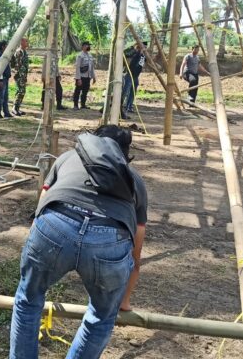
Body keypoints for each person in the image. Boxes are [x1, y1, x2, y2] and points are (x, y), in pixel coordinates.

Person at [9, 125, 147, 359]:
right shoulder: (134, 180)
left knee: (28, 300)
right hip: (108, 239)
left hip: (55, 226)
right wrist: (122, 301)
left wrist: (38, 250)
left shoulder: (66, 158)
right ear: (126, 154)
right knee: (102, 317)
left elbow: (40, 211)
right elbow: (136, 252)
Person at [121, 41, 147, 118]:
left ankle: (129, 106)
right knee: (125, 91)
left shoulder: (143, 56)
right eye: (143, 47)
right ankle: (120, 105)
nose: (144, 49)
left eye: (145, 47)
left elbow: (143, 62)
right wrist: (137, 49)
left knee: (133, 92)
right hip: (129, 74)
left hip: (136, 76)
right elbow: (126, 54)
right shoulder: (134, 53)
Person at [73, 41, 96, 110]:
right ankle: (75, 105)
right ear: (83, 46)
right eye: (87, 45)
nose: (89, 46)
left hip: (87, 77)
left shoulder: (90, 55)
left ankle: (83, 105)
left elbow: (92, 67)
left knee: (85, 91)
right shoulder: (80, 55)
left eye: (89, 45)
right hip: (81, 76)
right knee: (77, 91)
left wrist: (93, 77)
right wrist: (78, 78)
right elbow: (77, 67)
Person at [0, 40, 13, 119]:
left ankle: (6, 112)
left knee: (5, 97)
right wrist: (0, 80)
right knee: (0, 97)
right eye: (6, 45)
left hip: (5, 79)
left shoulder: (4, 55)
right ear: (3, 47)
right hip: (2, 79)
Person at [12, 37, 29, 116]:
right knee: (20, 91)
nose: (27, 43)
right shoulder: (19, 52)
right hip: (19, 75)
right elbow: (18, 65)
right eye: (26, 41)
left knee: (21, 91)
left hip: (23, 75)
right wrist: (22, 76)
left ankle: (17, 108)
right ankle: (15, 109)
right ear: (21, 42)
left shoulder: (24, 51)